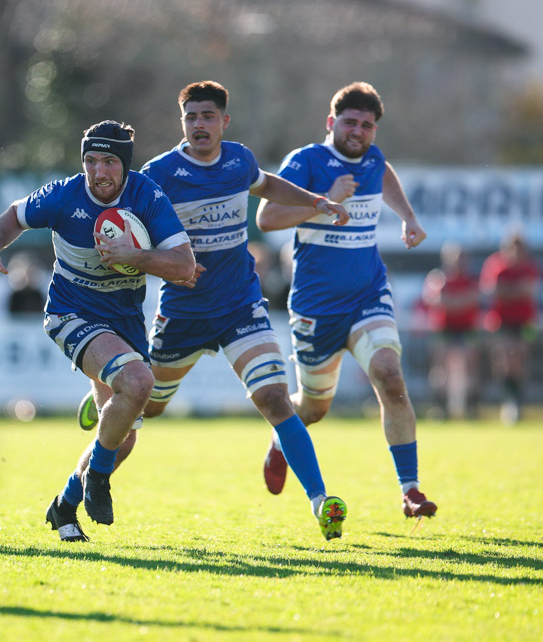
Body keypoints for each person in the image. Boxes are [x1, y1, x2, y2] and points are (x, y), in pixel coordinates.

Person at [76, 82, 353, 541]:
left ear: (224, 121)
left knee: (275, 400)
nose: (199, 125)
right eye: (191, 117)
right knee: (147, 409)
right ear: (181, 122)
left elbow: (265, 184)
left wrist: (315, 201)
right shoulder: (158, 173)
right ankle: (95, 424)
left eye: (208, 116)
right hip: (182, 314)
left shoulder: (238, 160)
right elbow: (123, 226)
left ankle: (322, 502)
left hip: (240, 304)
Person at [0, 120, 195, 541]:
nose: (98, 172)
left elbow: (183, 265)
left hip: (124, 323)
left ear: (124, 165)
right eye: (90, 160)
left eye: (109, 161)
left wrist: (134, 255)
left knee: (122, 441)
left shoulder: (146, 195)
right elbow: (15, 215)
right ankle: (99, 480)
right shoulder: (63, 194)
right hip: (71, 314)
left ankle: (64, 505)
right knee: (138, 381)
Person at [256, 81, 438, 520]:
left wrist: (408, 217)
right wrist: (324, 202)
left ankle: (410, 490)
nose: (358, 131)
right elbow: (266, 217)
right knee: (314, 408)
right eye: (350, 122)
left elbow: (384, 171)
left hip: (368, 295)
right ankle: (283, 440)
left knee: (390, 377)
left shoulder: (372, 158)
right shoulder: (306, 161)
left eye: (367, 125)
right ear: (331, 122)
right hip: (316, 308)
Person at [479, 229, 541, 424]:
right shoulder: (495, 265)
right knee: (506, 360)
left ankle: (518, 402)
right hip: (501, 321)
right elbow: (492, 291)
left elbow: (528, 291)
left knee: (520, 360)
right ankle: (508, 401)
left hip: (525, 321)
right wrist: (515, 290)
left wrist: (507, 290)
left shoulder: (530, 266)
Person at [421, 241, 481, 418]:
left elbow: (473, 298)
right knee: (440, 368)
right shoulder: (438, 278)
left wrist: (452, 302)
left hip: (467, 328)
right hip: (444, 329)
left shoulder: (471, 279)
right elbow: (436, 299)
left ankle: (471, 408)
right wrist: (459, 302)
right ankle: (439, 407)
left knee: (470, 367)